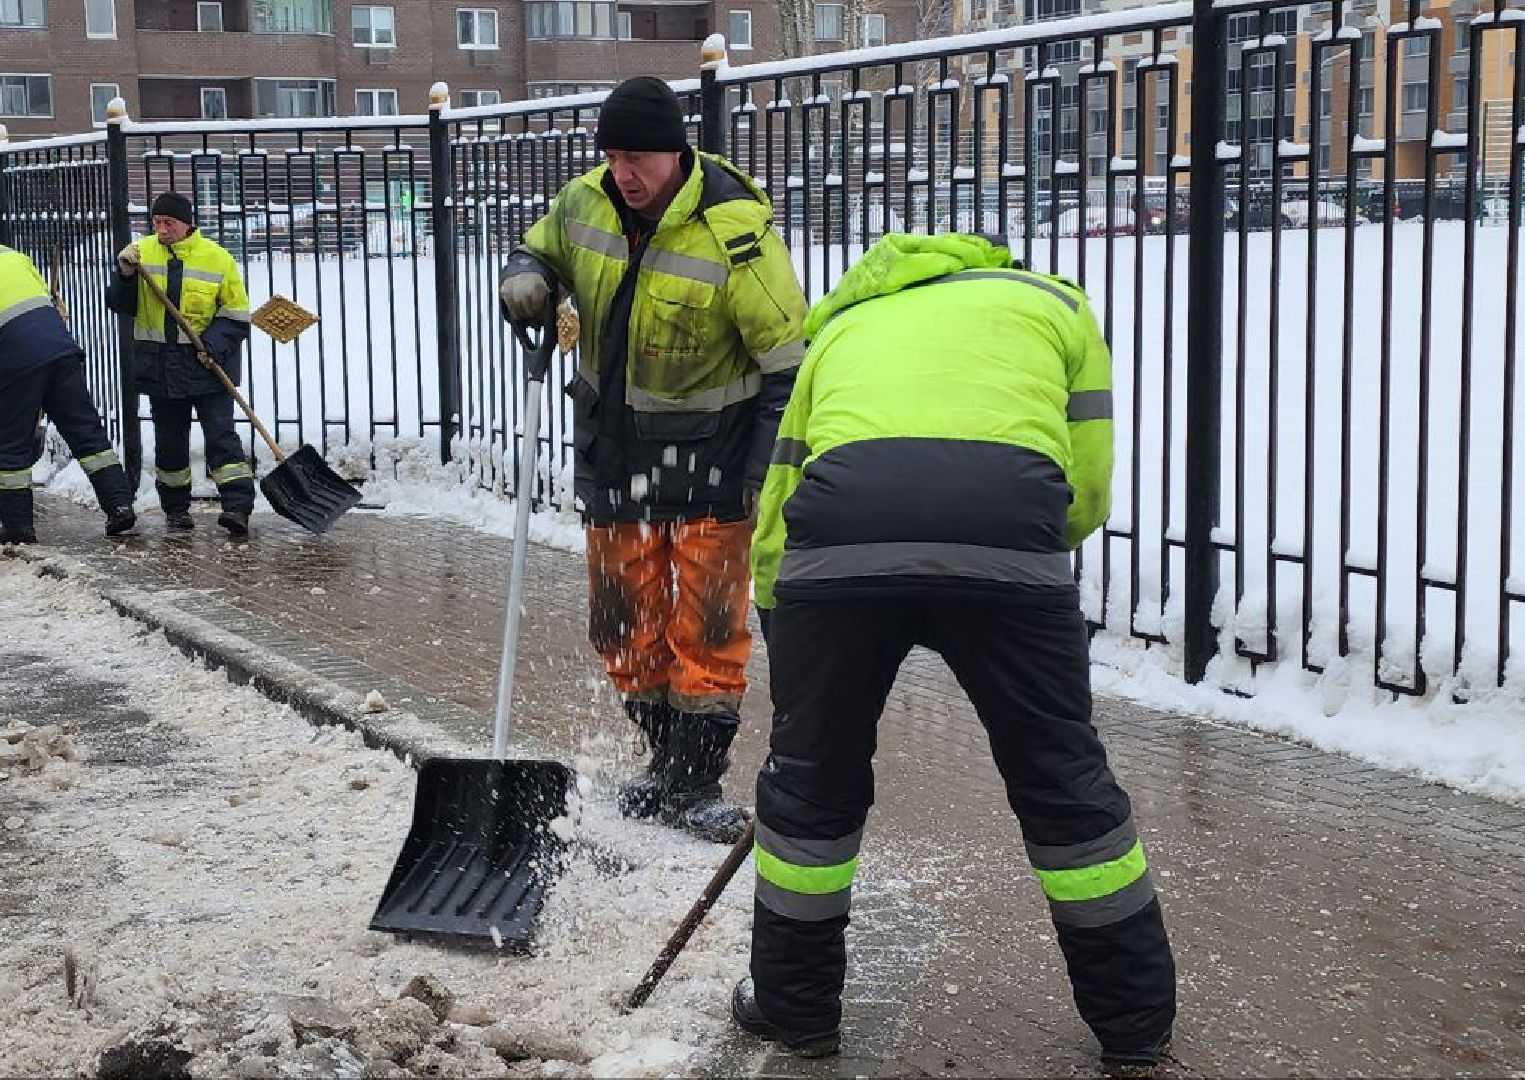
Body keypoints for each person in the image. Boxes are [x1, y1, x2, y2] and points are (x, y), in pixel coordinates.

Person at [734, 232, 1176, 1071]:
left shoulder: (841, 327)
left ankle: (796, 1013)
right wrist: (1018, 552)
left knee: (811, 784)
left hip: (838, 550)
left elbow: (782, 491)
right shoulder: (1053, 303)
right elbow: (1084, 477)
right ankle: (1134, 1023)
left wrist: (782, 622)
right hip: (1005, 535)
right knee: (1061, 779)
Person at [497, 76, 806, 844]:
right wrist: (525, 282)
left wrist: (763, 475)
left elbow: (789, 367)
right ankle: (664, 765)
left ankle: (695, 782)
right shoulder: (585, 201)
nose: (623, 172)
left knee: (703, 630)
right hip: (615, 454)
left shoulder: (736, 234)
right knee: (622, 624)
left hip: (715, 462)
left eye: (637, 156)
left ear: (676, 153)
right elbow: (533, 251)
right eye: (612, 154)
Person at [0, 225, 137, 544]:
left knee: (9, 443)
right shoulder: (6, 255)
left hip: (13, 357)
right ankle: (119, 505)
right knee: (85, 430)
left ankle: (17, 526)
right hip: (59, 345)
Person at [105, 191, 256, 534]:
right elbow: (121, 305)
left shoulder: (217, 259)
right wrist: (125, 275)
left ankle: (237, 507)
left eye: (168, 223)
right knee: (169, 441)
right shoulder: (141, 254)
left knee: (221, 436)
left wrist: (212, 346)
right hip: (160, 367)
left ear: (186, 224)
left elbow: (235, 314)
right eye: (157, 222)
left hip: (207, 365)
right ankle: (175, 509)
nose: (162, 229)